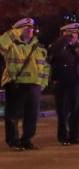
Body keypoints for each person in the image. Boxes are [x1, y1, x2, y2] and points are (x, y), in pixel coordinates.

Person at [0, 18, 50, 151]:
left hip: (34, 86)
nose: (30, 30)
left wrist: (43, 83)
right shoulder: (12, 45)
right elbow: (1, 44)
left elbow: (45, 67)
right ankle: (14, 141)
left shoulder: (39, 47)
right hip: (16, 84)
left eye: (31, 28)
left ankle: (26, 139)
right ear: (18, 30)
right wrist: (13, 33)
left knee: (32, 115)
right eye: (26, 28)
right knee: (13, 116)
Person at [49, 22, 79, 146]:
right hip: (63, 82)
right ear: (64, 33)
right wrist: (64, 40)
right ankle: (63, 137)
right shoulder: (58, 46)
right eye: (71, 33)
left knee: (76, 111)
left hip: (76, 82)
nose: (74, 35)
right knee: (63, 111)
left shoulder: (78, 46)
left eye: (76, 33)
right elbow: (54, 56)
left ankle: (75, 136)